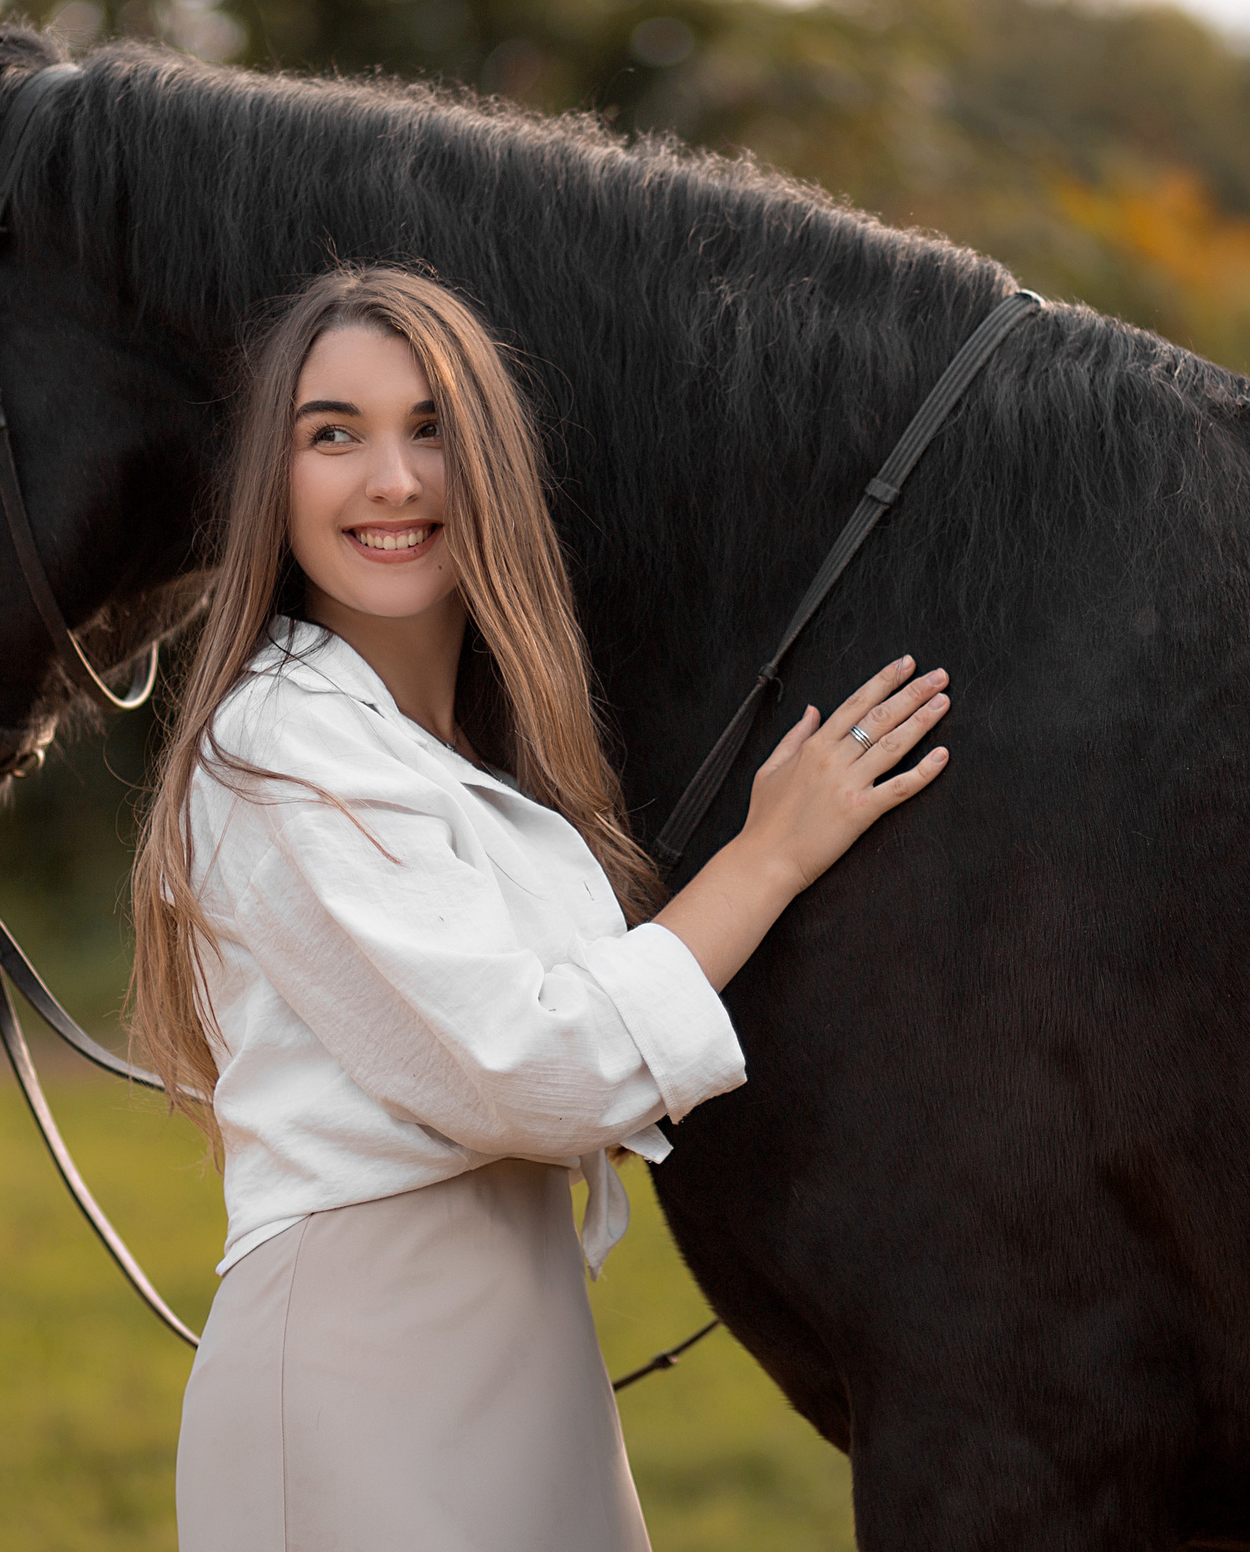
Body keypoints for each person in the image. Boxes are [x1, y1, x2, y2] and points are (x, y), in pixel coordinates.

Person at [130, 264, 952, 1552]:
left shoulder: (459, 752)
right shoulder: (282, 744)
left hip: (523, 1366)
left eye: (432, 428)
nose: (392, 480)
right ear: (272, 481)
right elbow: (539, 1067)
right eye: (332, 434)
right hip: (363, 1376)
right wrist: (772, 854)